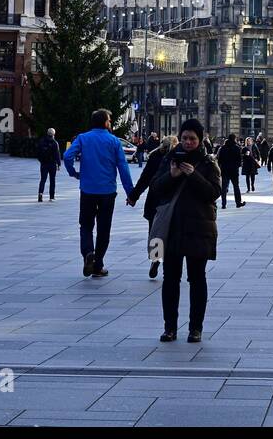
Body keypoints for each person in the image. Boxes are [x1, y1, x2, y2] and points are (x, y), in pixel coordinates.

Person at [145, 119, 221, 343]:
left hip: (199, 229)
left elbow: (214, 193)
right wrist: (173, 175)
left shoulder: (208, 163)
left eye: (193, 139)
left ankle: (195, 328)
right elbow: (155, 189)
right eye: (185, 138)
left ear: (200, 140)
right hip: (172, 229)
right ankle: (170, 327)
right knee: (171, 279)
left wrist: (193, 175)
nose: (188, 142)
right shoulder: (168, 159)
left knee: (197, 279)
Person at [63, 108, 135, 278]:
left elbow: (67, 156)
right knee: (104, 229)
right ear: (105, 122)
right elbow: (123, 167)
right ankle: (98, 264)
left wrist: (74, 173)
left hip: (87, 190)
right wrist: (130, 192)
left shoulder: (83, 138)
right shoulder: (114, 141)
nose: (110, 123)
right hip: (107, 192)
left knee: (86, 225)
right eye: (109, 120)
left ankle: (88, 252)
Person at [128, 135, 177, 279]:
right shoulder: (177, 158)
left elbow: (144, 179)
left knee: (154, 232)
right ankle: (169, 263)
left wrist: (133, 196)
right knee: (172, 233)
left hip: (154, 200)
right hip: (171, 201)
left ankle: (155, 260)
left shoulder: (155, 157)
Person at [215, 133, 244, 209]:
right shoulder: (237, 148)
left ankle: (223, 204)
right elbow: (239, 160)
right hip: (234, 170)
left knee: (224, 188)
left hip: (224, 170)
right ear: (234, 139)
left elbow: (219, 160)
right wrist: (237, 166)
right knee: (236, 187)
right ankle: (238, 203)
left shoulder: (223, 148)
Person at [35, 127, 62, 202]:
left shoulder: (42, 141)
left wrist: (41, 160)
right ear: (54, 134)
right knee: (52, 180)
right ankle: (51, 197)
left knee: (43, 179)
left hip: (44, 164)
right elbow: (57, 154)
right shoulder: (55, 143)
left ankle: (40, 194)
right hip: (52, 164)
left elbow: (38, 153)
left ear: (47, 133)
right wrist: (59, 164)